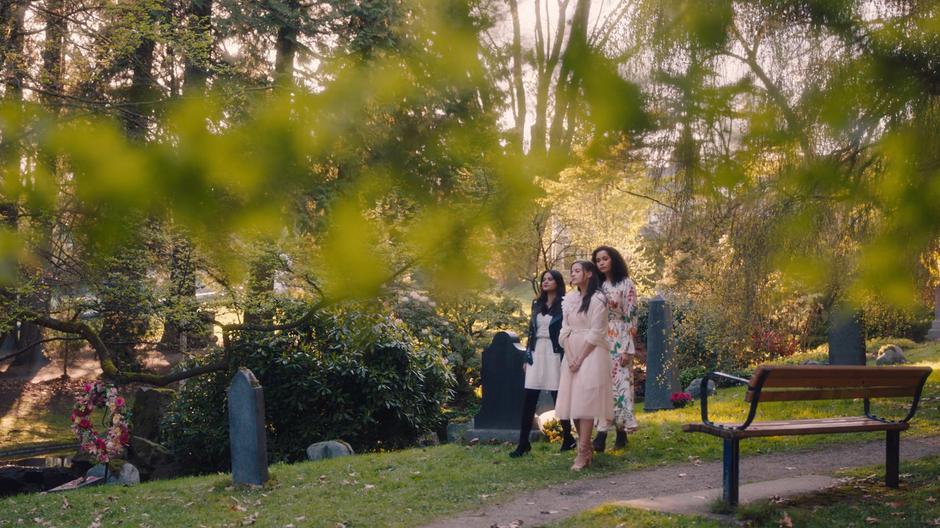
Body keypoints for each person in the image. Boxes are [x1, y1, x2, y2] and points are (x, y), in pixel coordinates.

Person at [509, 270, 576, 457]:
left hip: (555, 353)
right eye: (543, 279)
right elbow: (530, 332)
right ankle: (523, 443)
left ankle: (568, 438)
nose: (545, 282)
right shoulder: (536, 304)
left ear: (558, 282)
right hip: (537, 352)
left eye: (550, 279)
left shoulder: (565, 304)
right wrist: (526, 356)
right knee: (529, 397)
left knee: (558, 397)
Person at [555, 260, 613, 470]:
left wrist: (580, 358)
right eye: (572, 271)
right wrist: (570, 356)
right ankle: (586, 448)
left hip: (592, 353)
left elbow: (597, 332)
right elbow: (564, 330)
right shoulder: (569, 299)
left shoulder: (598, 299)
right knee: (575, 404)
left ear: (589, 274)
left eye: (578, 270)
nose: (574, 274)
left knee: (586, 401)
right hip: (571, 354)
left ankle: (582, 452)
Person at [591, 246, 639, 452]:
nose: (601, 263)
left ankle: (616, 431)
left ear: (613, 260)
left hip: (620, 337)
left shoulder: (626, 284)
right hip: (600, 338)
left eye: (605, 259)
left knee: (619, 386)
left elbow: (632, 316)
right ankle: (604, 431)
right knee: (601, 385)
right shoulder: (596, 286)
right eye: (597, 260)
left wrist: (628, 349)